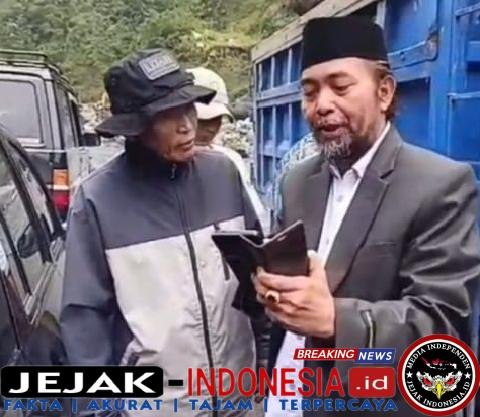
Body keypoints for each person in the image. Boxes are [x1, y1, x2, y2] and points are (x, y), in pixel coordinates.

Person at [253, 17, 480, 417]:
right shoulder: (297, 182)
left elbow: (442, 328)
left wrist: (335, 319)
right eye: (309, 92)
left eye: (340, 87)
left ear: (384, 91)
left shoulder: (440, 185)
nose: (322, 105)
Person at [60, 49, 269, 417]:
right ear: (137, 129)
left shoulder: (223, 174)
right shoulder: (97, 201)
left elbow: (258, 276)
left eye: (188, 108)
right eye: (168, 116)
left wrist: (266, 356)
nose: (187, 125)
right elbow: (86, 319)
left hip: (238, 398)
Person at [187, 66, 270, 233]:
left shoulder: (230, 161)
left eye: (217, 118)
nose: (211, 127)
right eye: (203, 119)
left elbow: (258, 225)